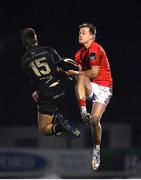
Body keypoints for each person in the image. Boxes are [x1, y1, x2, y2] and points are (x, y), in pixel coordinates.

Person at [66, 23, 113, 170]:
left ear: (92, 36)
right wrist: (73, 76)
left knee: (95, 121)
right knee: (80, 78)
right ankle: (83, 112)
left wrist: (76, 74)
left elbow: (93, 73)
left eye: (84, 32)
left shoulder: (96, 49)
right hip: (91, 86)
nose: (80, 34)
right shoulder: (78, 54)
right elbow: (82, 76)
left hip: (104, 88)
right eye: (79, 32)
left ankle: (96, 149)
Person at [20, 27, 80, 138]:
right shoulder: (48, 50)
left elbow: (36, 80)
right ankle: (56, 117)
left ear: (24, 43)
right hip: (61, 87)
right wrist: (75, 72)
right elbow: (64, 67)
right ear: (36, 38)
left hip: (47, 93)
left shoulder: (23, 60)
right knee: (35, 95)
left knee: (43, 129)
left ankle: (60, 125)